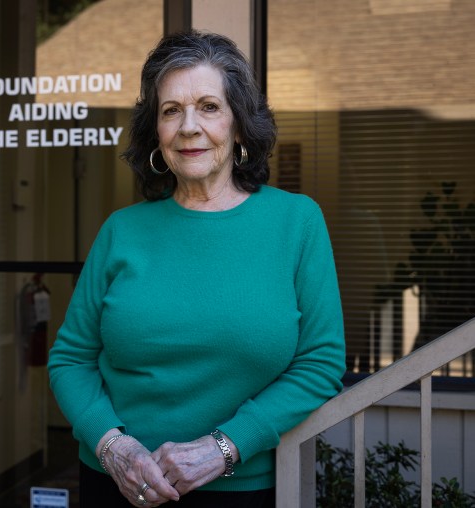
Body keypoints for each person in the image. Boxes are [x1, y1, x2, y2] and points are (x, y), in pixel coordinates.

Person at [47, 30, 345, 508]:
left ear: (240, 125)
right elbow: (71, 359)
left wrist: (223, 448)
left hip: (243, 487)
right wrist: (113, 447)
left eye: (209, 106)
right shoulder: (122, 231)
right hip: (119, 484)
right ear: (156, 133)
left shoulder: (296, 222)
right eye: (171, 110)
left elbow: (320, 363)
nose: (188, 126)